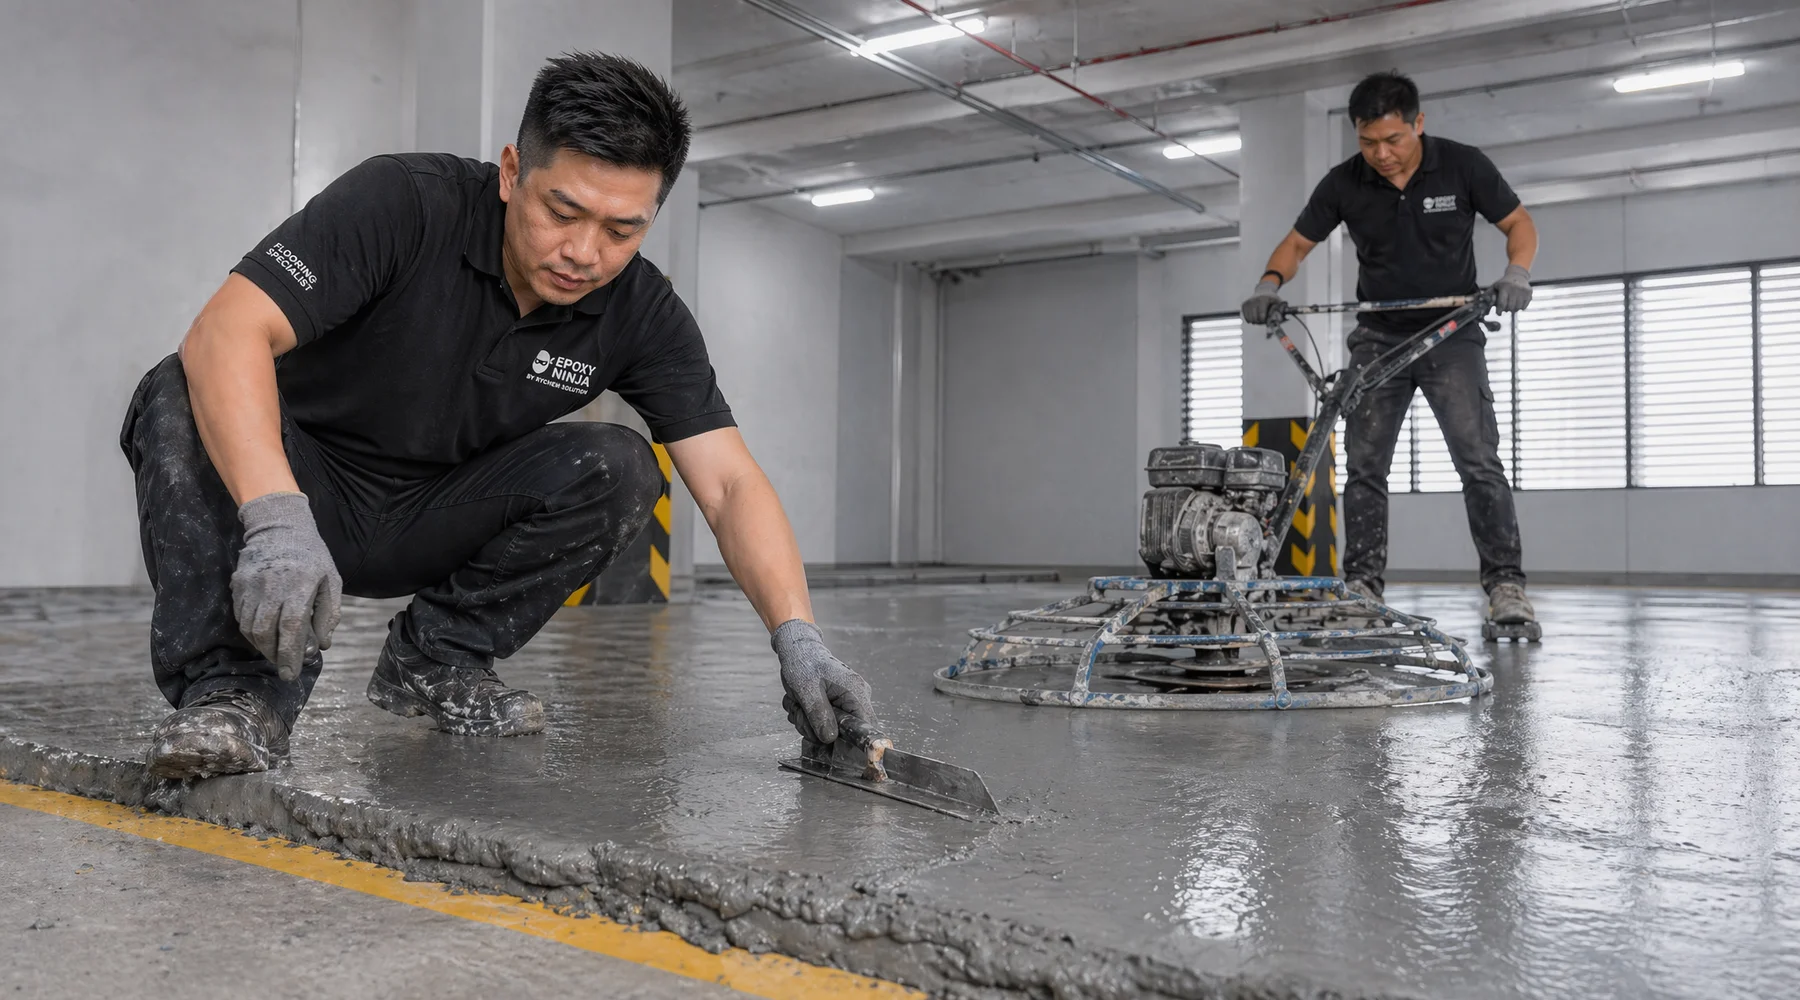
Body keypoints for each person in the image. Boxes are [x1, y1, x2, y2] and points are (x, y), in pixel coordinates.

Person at [121, 52, 877, 779]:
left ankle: (436, 660)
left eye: (623, 230)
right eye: (563, 211)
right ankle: (235, 696)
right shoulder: (404, 202)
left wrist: (798, 638)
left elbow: (730, 484)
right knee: (177, 387)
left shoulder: (642, 313)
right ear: (513, 173)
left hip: (435, 515)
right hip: (295, 487)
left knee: (619, 465)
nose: (584, 252)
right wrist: (276, 517)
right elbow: (226, 332)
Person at [1240, 70, 1539, 626]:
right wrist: (1268, 285)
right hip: (1378, 341)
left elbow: (1518, 222)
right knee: (1365, 467)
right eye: (1368, 141)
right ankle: (1362, 587)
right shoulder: (1343, 183)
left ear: (1418, 124)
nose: (1381, 153)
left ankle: (1506, 588)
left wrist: (1516, 272)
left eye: (1393, 139)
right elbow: (1298, 242)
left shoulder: (1463, 164)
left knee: (1479, 462)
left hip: (1452, 333)